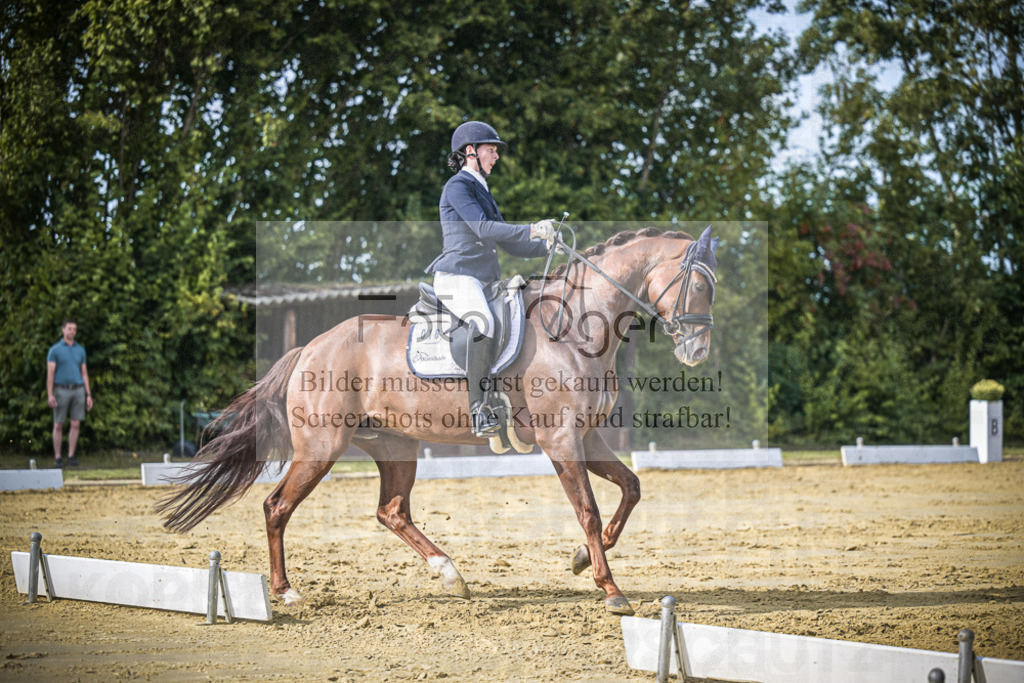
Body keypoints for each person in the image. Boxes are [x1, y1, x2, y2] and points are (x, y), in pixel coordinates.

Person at [425, 121, 556, 436]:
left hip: (482, 279)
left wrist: (548, 246)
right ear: (470, 151)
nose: (496, 156)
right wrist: (532, 228)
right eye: (491, 150)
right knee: (483, 323)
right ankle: (478, 410)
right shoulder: (457, 186)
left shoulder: (482, 189)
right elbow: (483, 228)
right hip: (458, 276)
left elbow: (510, 243)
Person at [46, 318, 93, 467]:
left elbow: (84, 373)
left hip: (78, 389)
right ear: (63, 330)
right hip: (61, 390)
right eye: (70, 329)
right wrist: (50, 394)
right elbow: (50, 374)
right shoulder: (55, 350)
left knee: (76, 424)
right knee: (58, 424)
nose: (72, 331)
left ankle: (71, 455)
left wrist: (88, 394)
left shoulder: (80, 350)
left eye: (74, 329)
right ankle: (58, 457)